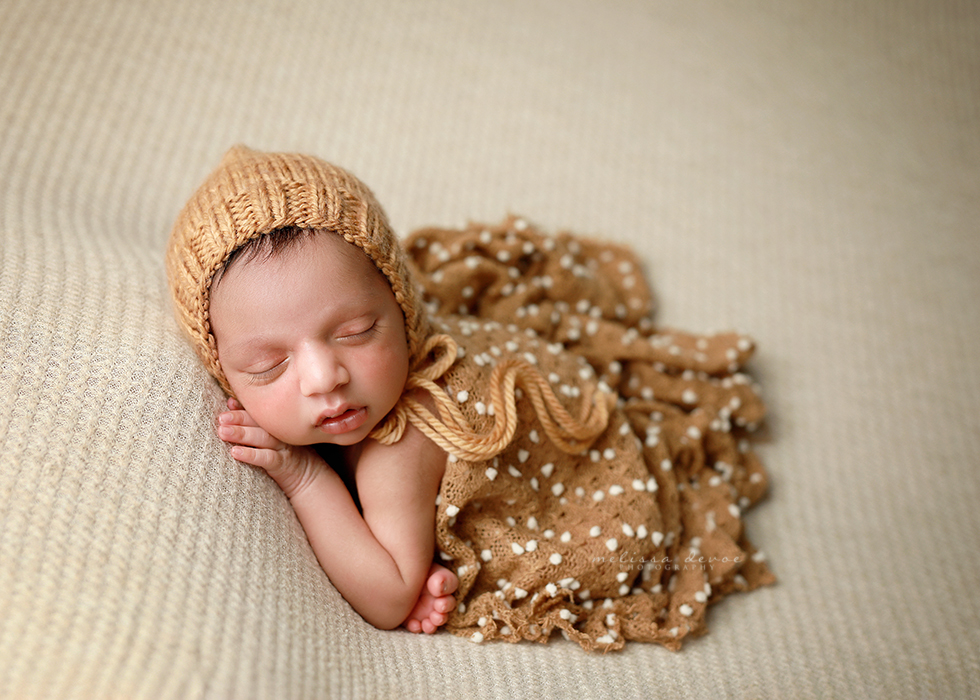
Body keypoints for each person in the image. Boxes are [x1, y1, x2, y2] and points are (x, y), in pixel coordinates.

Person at [167, 146, 773, 652]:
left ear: (404, 305)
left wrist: (302, 475)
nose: (324, 377)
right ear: (223, 370)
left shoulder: (399, 442)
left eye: (356, 332)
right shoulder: (347, 385)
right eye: (269, 366)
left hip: (578, 481)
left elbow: (388, 596)